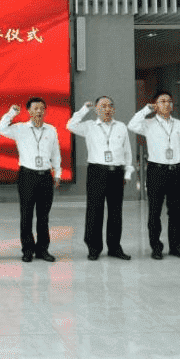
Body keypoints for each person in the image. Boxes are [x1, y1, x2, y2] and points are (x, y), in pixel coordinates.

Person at [67, 96, 133, 261]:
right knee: (94, 211)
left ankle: (114, 248)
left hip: (117, 173)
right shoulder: (89, 126)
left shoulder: (121, 127)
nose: (107, 109)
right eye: (103, 106)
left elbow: (127, 151)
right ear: (96, 109)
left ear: (114, 109)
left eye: (110, 106)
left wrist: (127, 173)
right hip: (97, 172)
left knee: (115, 212)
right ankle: (94, 248)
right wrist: (84, 109)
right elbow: (70, 125)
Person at [128, 91, 180, 260]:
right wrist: (146, 110)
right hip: (157, 171)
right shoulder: (148, 124)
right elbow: (131, 125)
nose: (166, 104)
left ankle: (176, 247)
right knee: (154, 212)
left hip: (176, 171)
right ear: (155, 105)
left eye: (169, 101)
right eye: (162, 101)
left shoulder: (179, 125)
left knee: (176, 213)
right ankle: (156, 247)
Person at [0, 97, 62, 262]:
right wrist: (11, 113)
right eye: (35, 108)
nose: (39, 111)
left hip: (45, 176)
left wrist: (58, 173)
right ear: (29, 111)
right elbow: (1, 129)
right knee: (26, 215)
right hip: (27, 176)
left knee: (43, 216)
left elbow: (56, 152)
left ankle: (42, 250)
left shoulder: (51, 130)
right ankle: (27, 250)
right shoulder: (20, 129)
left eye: (42, 108)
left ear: (45, 111)